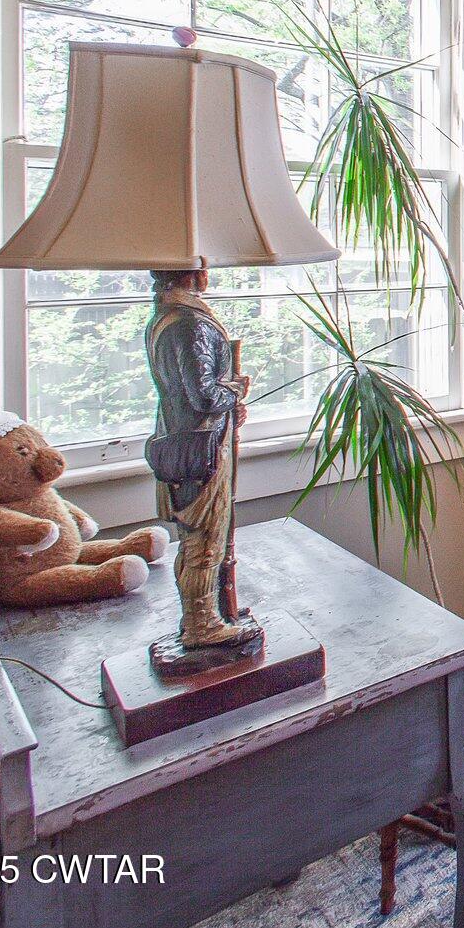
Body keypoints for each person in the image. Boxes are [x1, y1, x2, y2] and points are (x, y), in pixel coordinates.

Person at [144, 267, 258, 665]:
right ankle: (200, 624)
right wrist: (236, 390)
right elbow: (204, 395)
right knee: (205, 541)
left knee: (197, 539)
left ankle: (205, 614)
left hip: (184, 441)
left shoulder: (163, 318)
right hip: (202, 450)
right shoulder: (190, 324)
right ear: (194, 275)